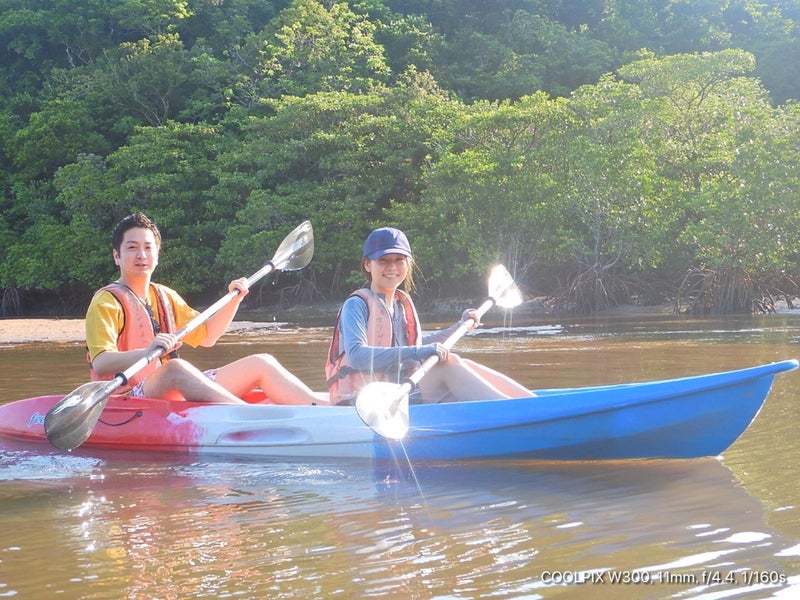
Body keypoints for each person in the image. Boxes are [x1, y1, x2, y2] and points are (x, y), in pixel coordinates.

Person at [85, 213, 325, 405]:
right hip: (125, 397)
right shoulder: (106, 301)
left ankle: (318, 408)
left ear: (157, 254)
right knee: (174, 368)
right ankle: (244, 415)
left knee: (261, 362)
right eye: (132, 248)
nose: (141, 255)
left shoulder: (164, 295)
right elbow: (101, 363)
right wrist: (147, 351)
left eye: (148, 248)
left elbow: (209, 336)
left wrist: (235, 300)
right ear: (117, 256)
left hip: (164, 389)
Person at [325, 226, 531, 406]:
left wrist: (459, 326)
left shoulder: (399, 304)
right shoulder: (356, 305)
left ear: (408, 264)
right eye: (383, 261)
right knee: (447, 366)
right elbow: (357, 356)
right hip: (365, 403)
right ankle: (520, 413)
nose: (392, 267)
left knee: (456, 361)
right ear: (368, 265)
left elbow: (419, 344)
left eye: (399, 260)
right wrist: (421, 351)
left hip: (396, 391)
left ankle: (531, 403)